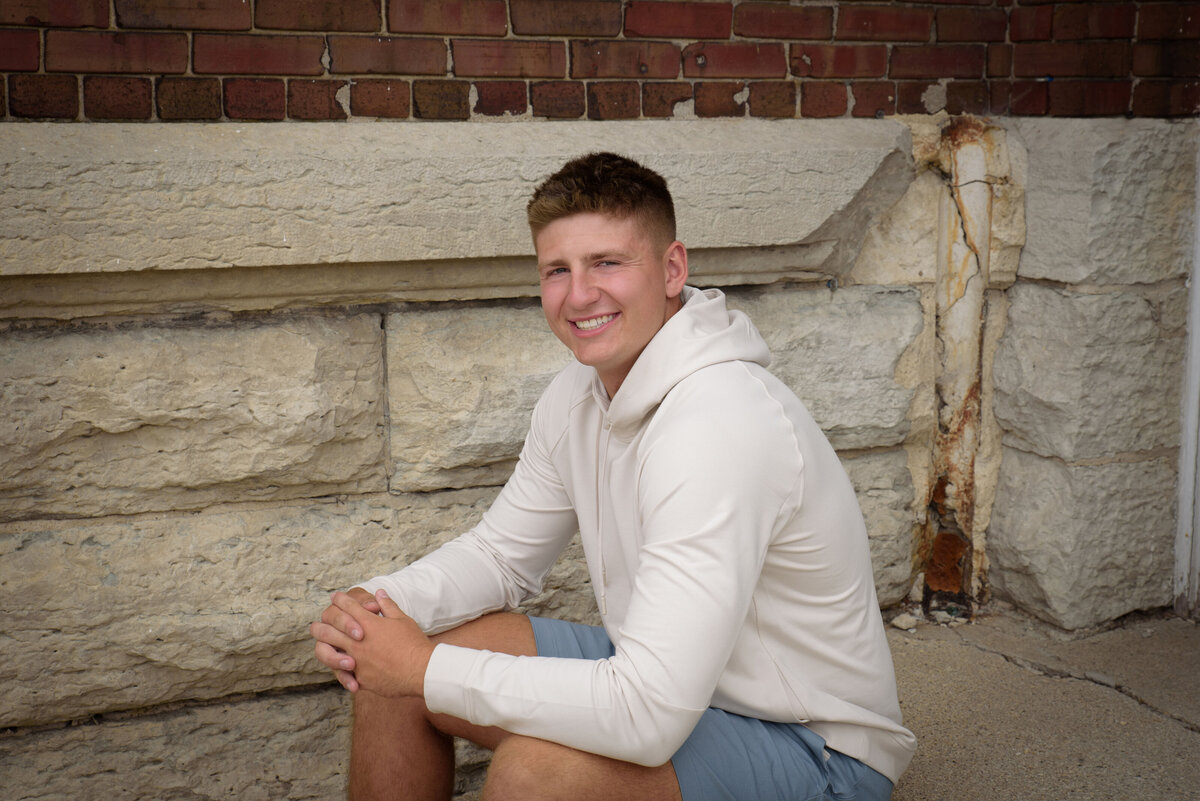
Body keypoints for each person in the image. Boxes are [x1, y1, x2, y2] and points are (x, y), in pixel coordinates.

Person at [310, 152, 916, 801]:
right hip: (673, 679)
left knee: (533, 773)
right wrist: (376, 610)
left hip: (811, 744)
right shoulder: (577, 396)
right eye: (557, 270)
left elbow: (646, 716)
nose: (579, 294)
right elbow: (500, 556)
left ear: (671, 268)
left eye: (607, 263)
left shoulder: (719, 423)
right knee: (393, 666)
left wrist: (425, 668)